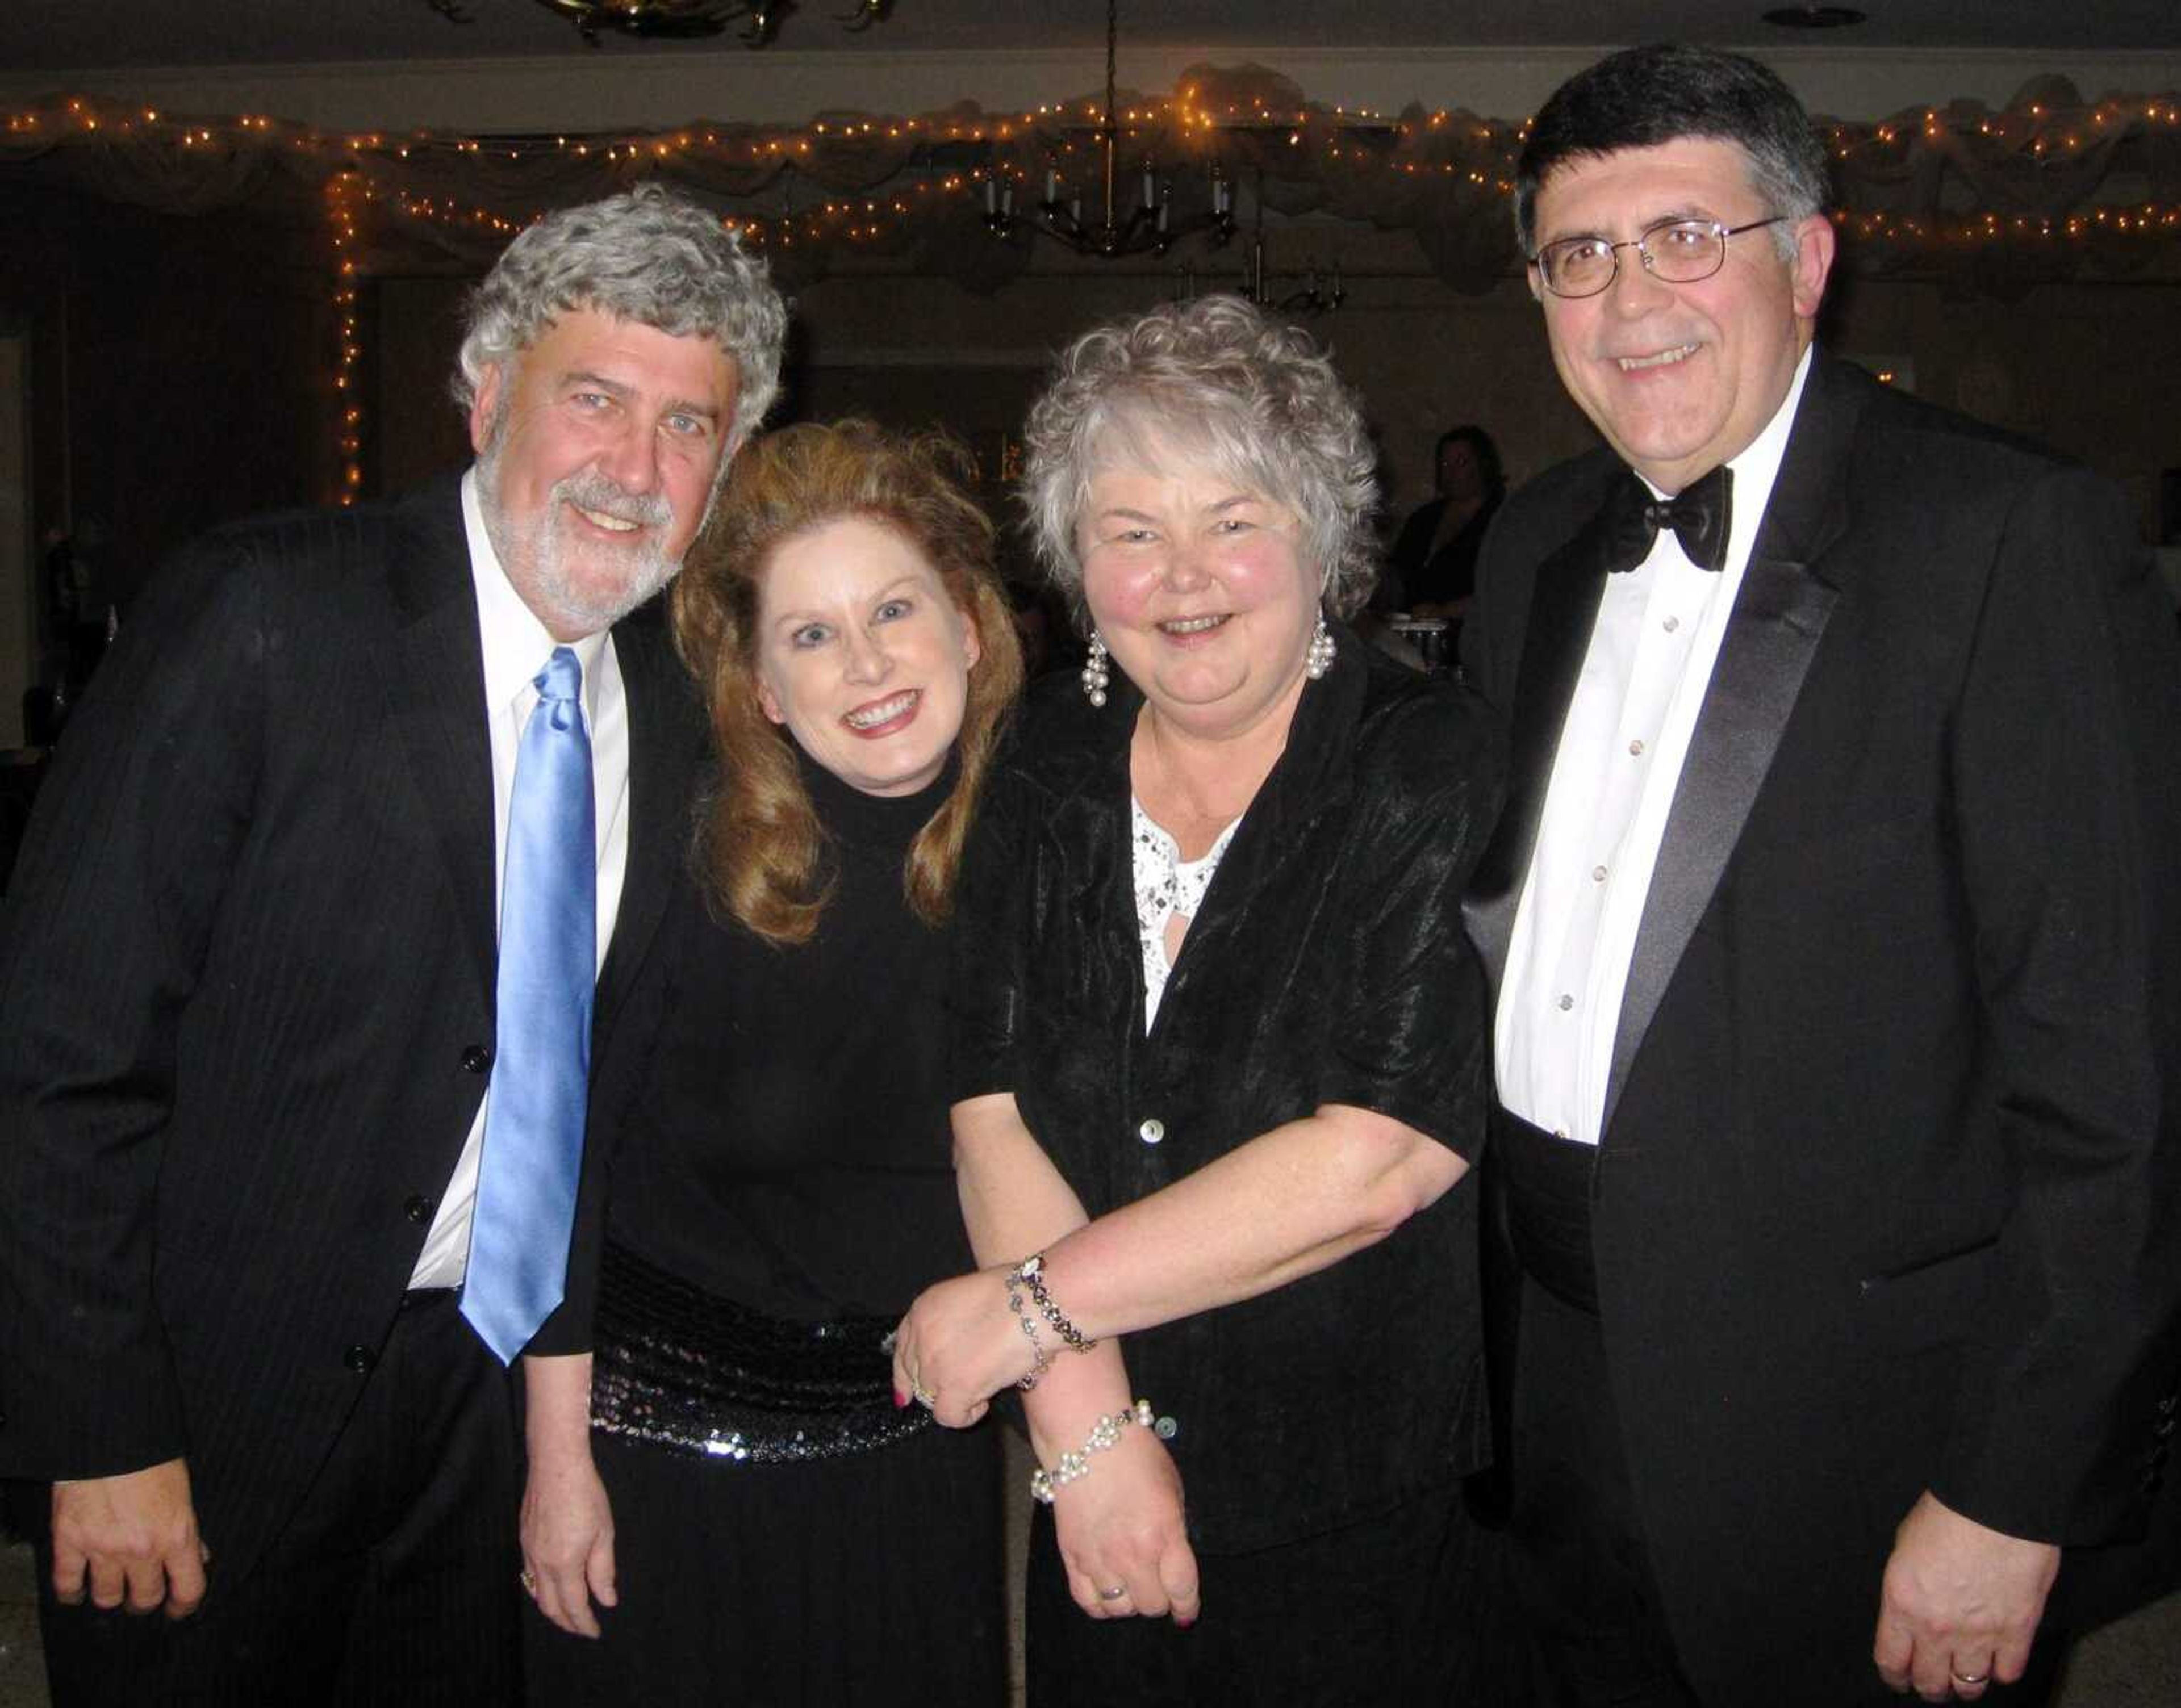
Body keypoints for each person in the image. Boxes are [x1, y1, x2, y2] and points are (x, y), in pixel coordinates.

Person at [1460, 43, 2181, 1708]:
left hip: (1857, 1419)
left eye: (1682, 237)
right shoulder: (1531, 547)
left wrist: (2012, 1483)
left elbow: (2121, 1088)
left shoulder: (2008, 542)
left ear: (1807, 257)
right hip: (1546, 1374)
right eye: (1579, 253)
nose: (1628, 297)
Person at [0, 185, 787, 1703]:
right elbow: (52, 1057)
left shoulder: (681, 712)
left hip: (485, 1410)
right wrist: (98, 1430)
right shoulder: (264, 617)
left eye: (688, 427)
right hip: (213, 1396)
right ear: (488, 392)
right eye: (596, 400)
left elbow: (585, 1087)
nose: (634, 469)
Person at [892, 295, 1507, 1705]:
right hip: (1088, 1461)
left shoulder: (1423, 757)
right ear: (1074, 561)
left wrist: (1024, 1313)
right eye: (1128, 531)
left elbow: (1378, 1154)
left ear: (1319, 537)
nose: (1183, 576)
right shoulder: (1042, 747)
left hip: (1346, 1468)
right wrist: (1089, 1433)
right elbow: (989, 1105)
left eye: (1231, 517)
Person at [517, 420, 1022, 1705]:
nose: (866, 663)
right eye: (809, 634)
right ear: (756, 687)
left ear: (968, 624)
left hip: (916, 1444)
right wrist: (555, 1456)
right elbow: (554, 1156)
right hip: (663, 1452)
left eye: (895, 608)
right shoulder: (684, 858)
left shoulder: (1047, 849)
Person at [1384, 423, 1504, 618]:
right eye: (1445, 464)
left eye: (1462, 462)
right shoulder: (1424, 519)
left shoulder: (1500, 521)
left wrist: (1444, 612)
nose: (1452, 472)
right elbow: (1398, 572)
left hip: (1468, 635)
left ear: (1483, 465)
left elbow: (1502, 591)